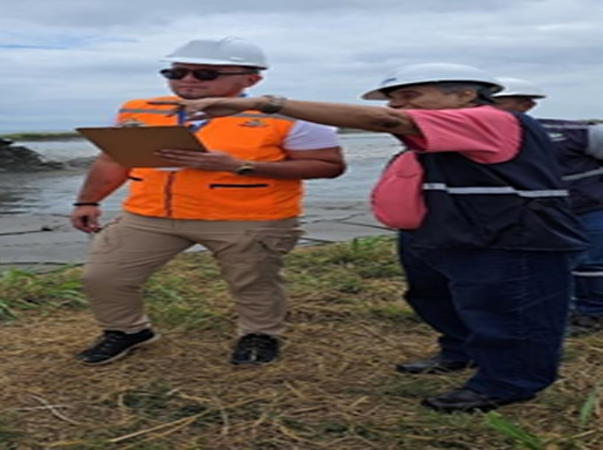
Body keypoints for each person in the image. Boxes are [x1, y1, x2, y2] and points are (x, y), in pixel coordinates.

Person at [163, 63, 588, 413]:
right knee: (437, 297)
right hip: (444, 231)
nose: (397, 105)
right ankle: (460, 350)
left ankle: (509, 382)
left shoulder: (489, 119)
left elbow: (383, 120)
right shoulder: (443, 131)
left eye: (411, 95)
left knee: (510, 309)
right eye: (393, 96)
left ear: (464, 94)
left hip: (509, 235)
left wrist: (265, 104)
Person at [69, 37, 345, 366]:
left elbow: (330, 167)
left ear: (252, 79)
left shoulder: (291, 116)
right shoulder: (139, 109)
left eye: (205, 74)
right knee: (104, 276)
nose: (186, 80)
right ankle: (126, 331)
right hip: (150, 214)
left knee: (253, 281)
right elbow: (114, 159)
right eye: (176, 72)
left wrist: (241, 166)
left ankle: (260, 333)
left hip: (249, 217)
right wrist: (87, 201)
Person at [493, 77, 603, 335]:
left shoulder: (577, 133)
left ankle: (592, 313)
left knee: (590, 263)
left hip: (589, 210)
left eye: (495, 102)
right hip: (531, 216)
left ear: (526, 104)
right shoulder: (477, 140)